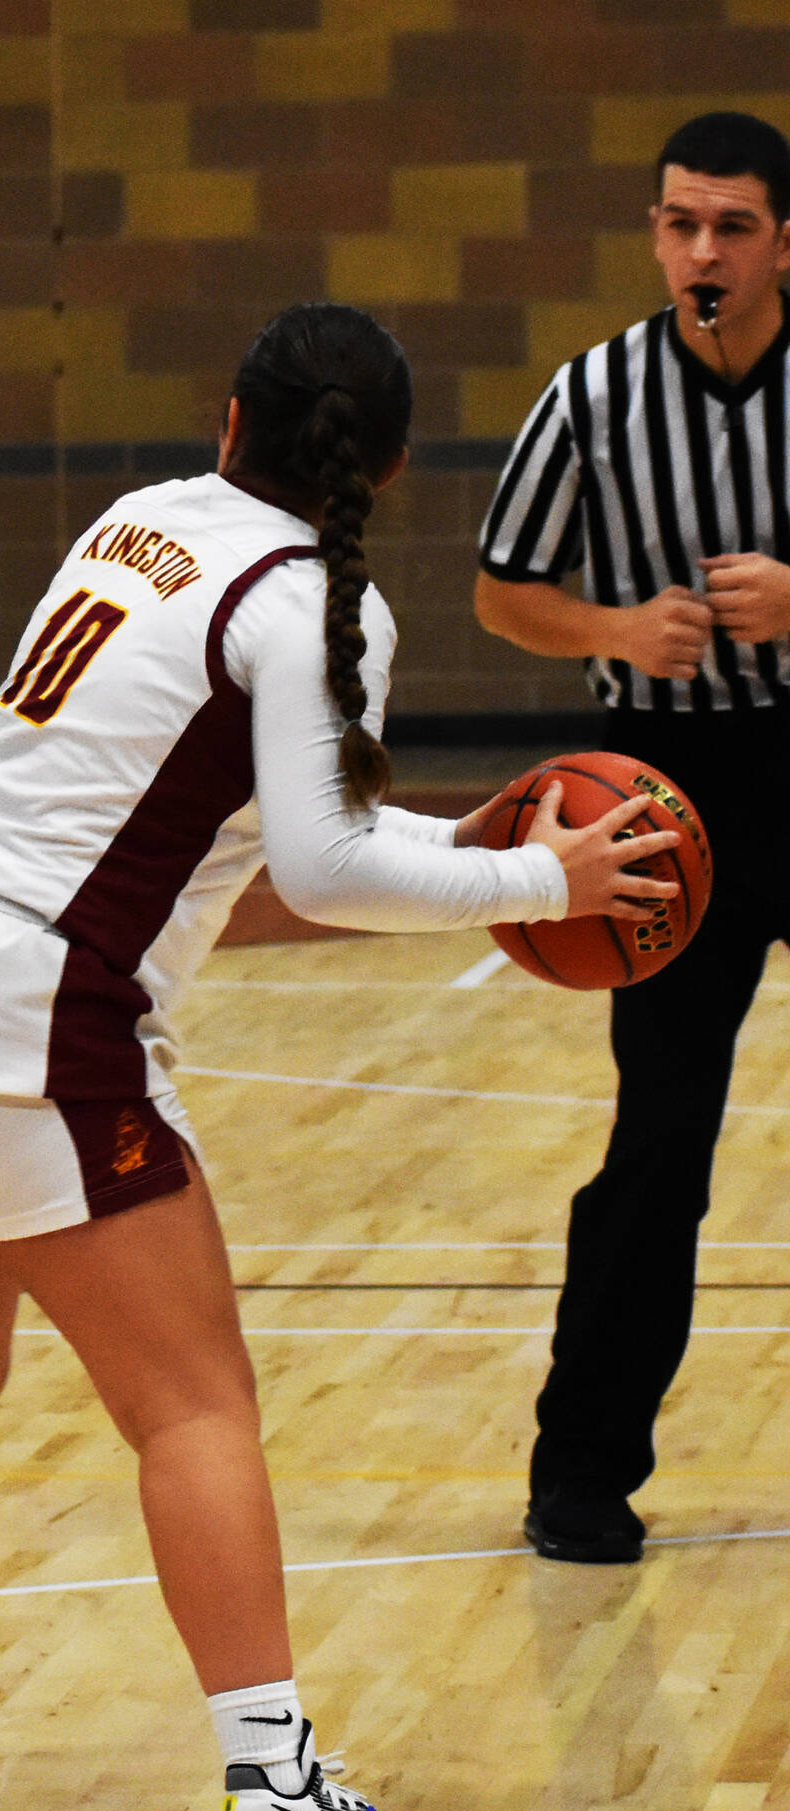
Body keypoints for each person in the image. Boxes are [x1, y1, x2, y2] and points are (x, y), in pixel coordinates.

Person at [0, 303, 676, 1811]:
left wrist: (478, 844)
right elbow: (322, 867)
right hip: (24, 1007)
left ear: (229, 424)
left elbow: (273, 804)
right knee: (195, 1404)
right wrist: (529, 875)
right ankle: (276, 1794)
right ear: (395, 469)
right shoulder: (320, 609)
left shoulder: (141, 518)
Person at [475, 111, 790, 1565]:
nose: (701, 252)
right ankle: (581, 1470)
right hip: (669, 791)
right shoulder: (594, 395)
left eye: (729, 225)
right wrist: (614, 630)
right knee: (660, 1136)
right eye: (679, 224)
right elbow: (502, 589)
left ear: (784, 240)